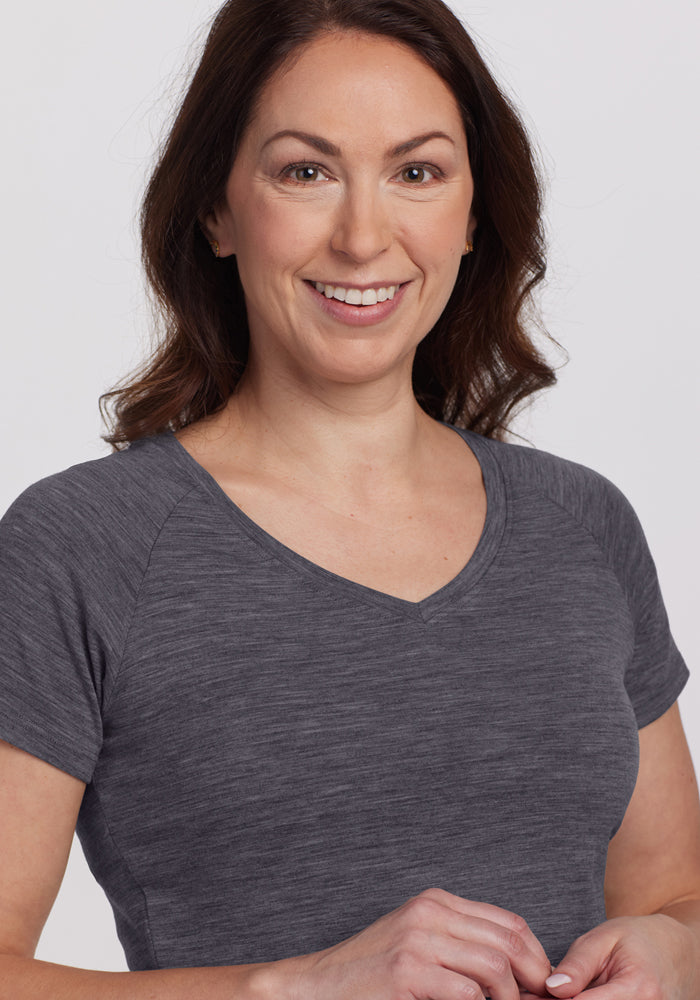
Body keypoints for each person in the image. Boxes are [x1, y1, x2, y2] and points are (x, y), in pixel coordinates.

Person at [0, 0, 698, 997]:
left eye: (416, 173)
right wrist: (294, 985)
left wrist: (679, 950)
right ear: (217, 208)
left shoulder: (580, 524)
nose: (365, 236)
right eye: (305, 171)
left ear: (471, 216)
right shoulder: (81, 545)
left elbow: (674, 891)